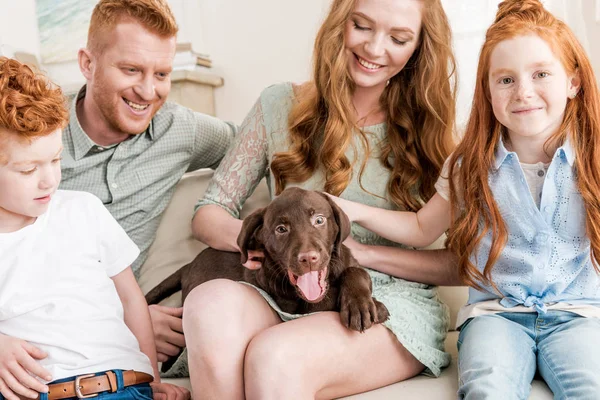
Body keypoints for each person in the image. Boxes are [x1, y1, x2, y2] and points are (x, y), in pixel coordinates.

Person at [187, 0, 459, 397]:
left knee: (275, 356)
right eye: (362, 26)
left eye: (398, 38)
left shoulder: (433, 132)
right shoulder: (278, 105)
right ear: (339, 24)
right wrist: (263, 243)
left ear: (419, 48)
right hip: (287, 290)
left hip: (385, 301)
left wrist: (362, 257)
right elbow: (208, 213)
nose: (375, 48)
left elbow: (461, 265)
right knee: (208, 305)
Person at [331, 0, 600, 397]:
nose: (524, 92)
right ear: (487, 90)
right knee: (487, 389)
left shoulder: (593, 157)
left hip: (581, 315)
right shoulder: (470, 163)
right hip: (496, 315)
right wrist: (350, 210)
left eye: (541, 74)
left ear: (573, 83)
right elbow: (422, 228)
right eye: (505, 80)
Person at [57, 0, 236, 365]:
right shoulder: (36, 139)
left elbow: (260, 143)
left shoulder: (180, 130)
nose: (148, 91)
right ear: (87, 64)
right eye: (131, 70)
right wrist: (122, 323)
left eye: (162, 74)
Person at [0, 58, 189, 400]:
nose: (49, 180)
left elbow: (130, 298)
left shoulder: (83, 209)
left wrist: (152, 374)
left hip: (123, 386)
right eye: (28, 170)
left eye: (55, 159)